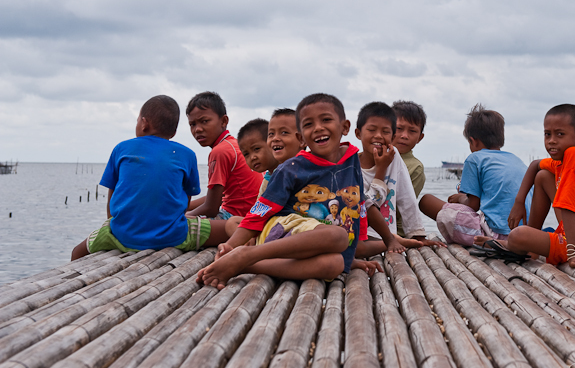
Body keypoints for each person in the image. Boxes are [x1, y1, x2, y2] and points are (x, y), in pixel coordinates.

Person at [196, 93, 365, 288]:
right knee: (337, 235)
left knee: (335, 264)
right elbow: (259, 212)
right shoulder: (293, 168)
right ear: (301, 138)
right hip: (283, 230)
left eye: (326, 120)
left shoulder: (352, 160)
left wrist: (350, 255)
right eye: (309, 124)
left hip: (310, 242)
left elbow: (358, 207)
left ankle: (247, 265)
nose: (318, 128)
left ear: (345, 127)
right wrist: (231, 246)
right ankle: (246, 254)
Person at [71, 95, 229, 260]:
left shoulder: (122, 149)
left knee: (77, 252)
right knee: (228, 228)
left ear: (144, 123)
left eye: (137, 120)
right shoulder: (187, 155)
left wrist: (115, 225)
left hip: (121, 234)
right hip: (173, 235)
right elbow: (185, 201)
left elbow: (112, 199)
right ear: (174, 132)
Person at [503, 104, 575, 269]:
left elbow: (569, 206)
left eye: (560, 134)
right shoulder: (572, 160)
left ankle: (525, 244)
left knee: (517, 236)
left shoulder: (573, 155)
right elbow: (535, 165)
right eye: (547, 134)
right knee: (543, 176)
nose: (551, 140)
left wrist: (573, 254)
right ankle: (533, 245)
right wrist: (519, 201)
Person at [419, 104, 531, 245]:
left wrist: (461, 198)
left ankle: (491, 242)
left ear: (473, 141)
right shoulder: (517, 161)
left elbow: (472, 205)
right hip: (526, 236)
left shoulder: (475, 158)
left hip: (492, 236)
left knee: (426, 201)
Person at [354, 102, 440, 259]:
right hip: (361, 234)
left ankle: (396, 239)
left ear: (391, 136)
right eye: (372, 130)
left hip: (388, 234)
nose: (379, 136)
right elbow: (369, 205)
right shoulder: (350, 165)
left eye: (385, 131)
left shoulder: (395, 159)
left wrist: (418, 235)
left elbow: (406, 198)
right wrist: (381, 168)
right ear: (358, 133)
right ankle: (395, 240)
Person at [185, 91, 262, 220]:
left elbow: (211, 208)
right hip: (253, 213)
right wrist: (184, 208)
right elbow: (217, 197)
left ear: (224, 121)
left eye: (204, 121)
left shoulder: (220, 151)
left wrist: (181, 216)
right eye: (192, 124)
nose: (197, 129)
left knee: (176, 228)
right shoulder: (233, 145)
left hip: (235, 217)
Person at [392, 100, 427, 237]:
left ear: (420, 137)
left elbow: (404, 209)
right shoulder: (371, 157)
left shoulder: (415, 168)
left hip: (394, 232)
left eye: (412, 131)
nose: (404, 135)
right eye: (399, 128)